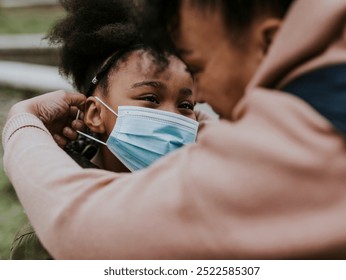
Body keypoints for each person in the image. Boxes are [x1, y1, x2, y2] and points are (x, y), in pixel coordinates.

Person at [3, 0, 346, 259]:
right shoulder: (342, 89)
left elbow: (81, 227)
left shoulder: (309, 138)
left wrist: (22, 123)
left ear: (268, 44)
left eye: (198, 70)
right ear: (94, 112)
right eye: (149, 98)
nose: (200, 99)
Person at [8, 0, 203, 259]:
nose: (172, 117)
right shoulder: (45, 242)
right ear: (95, 114)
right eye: (151, 99)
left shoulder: (204, 210)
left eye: (186, 104)